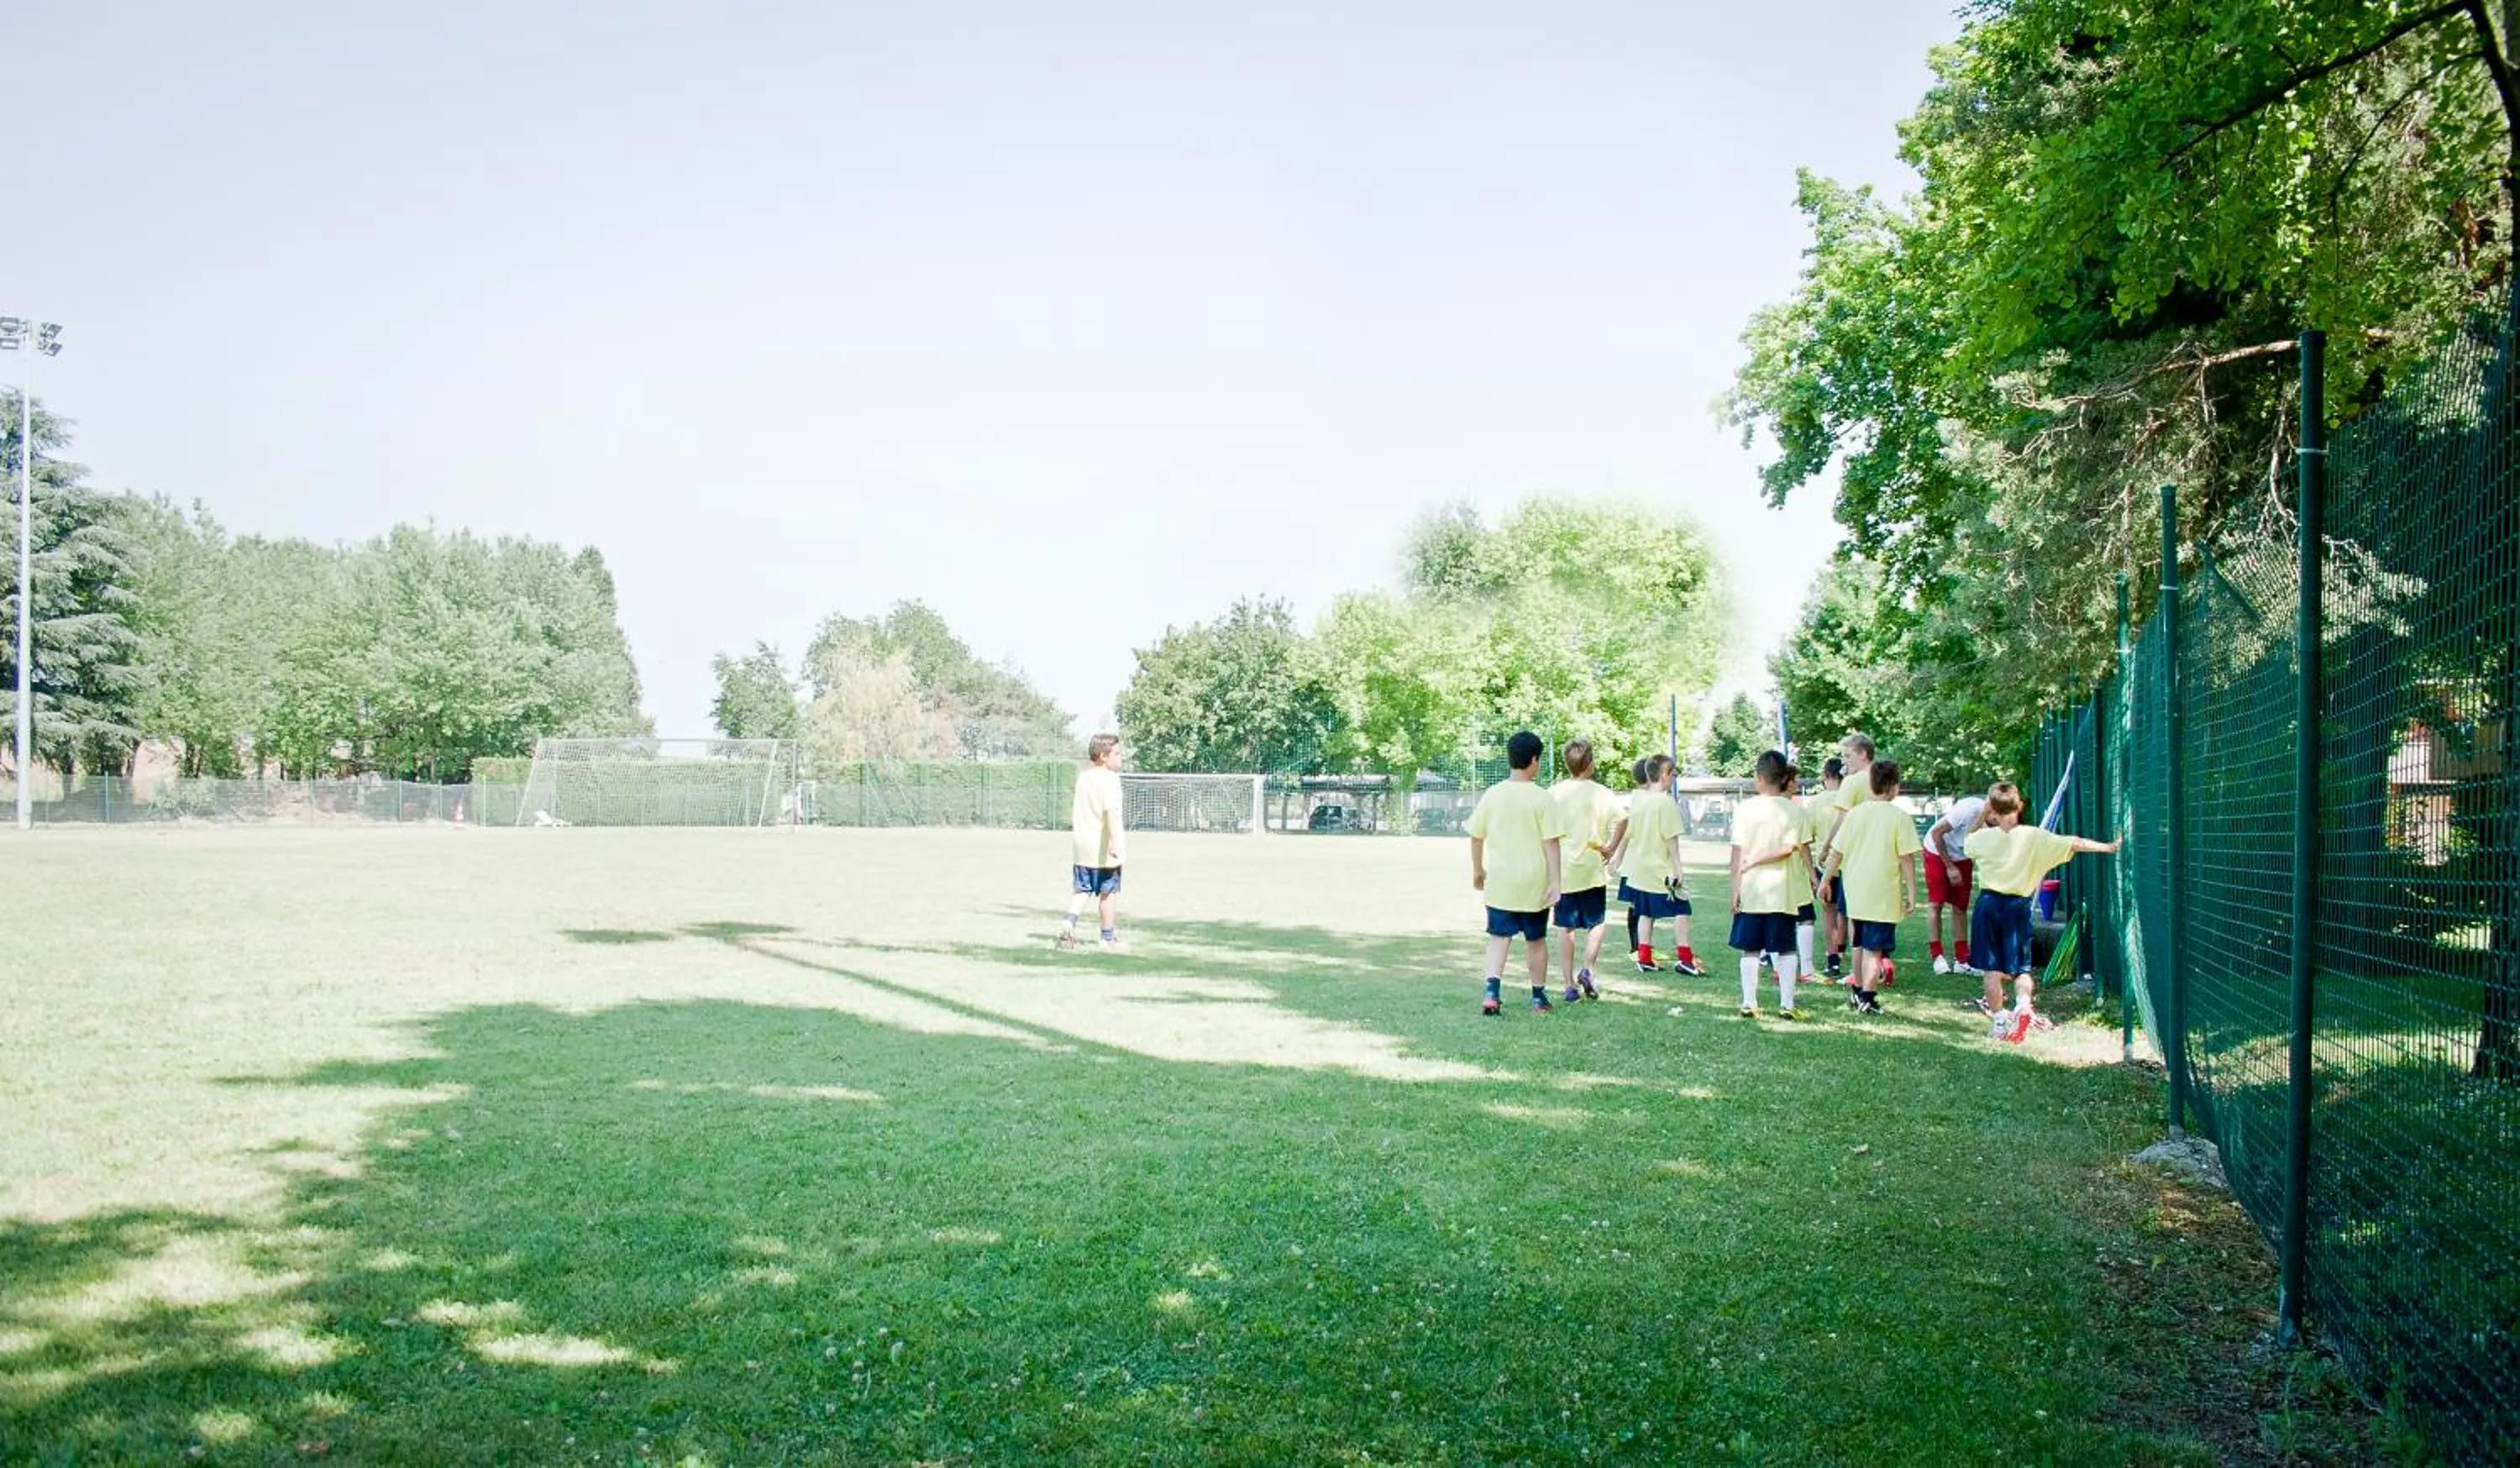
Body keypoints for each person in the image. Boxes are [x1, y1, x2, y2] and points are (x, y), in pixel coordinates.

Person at [1965, 781, 2124, 1041]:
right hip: (2018, 906)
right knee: (2021, 968)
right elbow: (2075, 843)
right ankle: (2023, 1005)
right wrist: (2108, 847)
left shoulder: (1982, 838)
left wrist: (1983, 813)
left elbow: (1967, 840)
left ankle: (2000, 1022)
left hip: (1989, 905)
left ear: (1992, 808)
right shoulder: (2035, 837)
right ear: (2019, 806)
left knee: (1991, 970)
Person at [1467, 730, 1566, 1015]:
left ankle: (1491, 993)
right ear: (1534, 760)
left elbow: (1476, 836)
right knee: (1536, 940)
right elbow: (1551, 843)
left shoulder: (1493, 795)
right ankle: (1538, 997)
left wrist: (1478, 870)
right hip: (1534, 882)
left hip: (1501, 881)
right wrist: (1556, 882)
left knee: (1499, 938)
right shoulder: (1542, 798)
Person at [1818, 758, 1919, 1015]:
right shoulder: (1899, 818)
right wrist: (1912, 892)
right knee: (1874, 948)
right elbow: (1906, 858)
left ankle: (1857, 989)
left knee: (1858, 944)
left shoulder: (1855, 814)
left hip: (1855, 891)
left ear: (1871, 784)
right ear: (1895, 787)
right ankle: (1868, 996)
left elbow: (1837, 852)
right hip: (1883, 893)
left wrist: (1825, 880)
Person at [1730, 749, 1809, 1020]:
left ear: (1759, 777)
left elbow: (1737, 854)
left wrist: (1734, 889)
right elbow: (1789, 848)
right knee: (1786, 948)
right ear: (1784, 779)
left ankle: (1749, 1002)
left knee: (1750, 948)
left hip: (1751, 891)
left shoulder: (1745, 809)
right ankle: (1786, 1004)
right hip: (1782, 892)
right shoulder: (1794, 810)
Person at [1609, 754, 1699, 975]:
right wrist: (1678, 868)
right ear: (1664, 775)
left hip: (1641, 870)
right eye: (1672, 774)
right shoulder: (1665, 802)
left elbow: (1629, 833)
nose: (1673, 778)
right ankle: (1685, 959)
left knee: (1646, 912)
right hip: (1660, 869)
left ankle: (1644, 958)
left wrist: (1618, 857)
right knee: (1682, 910)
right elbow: (1671, 839)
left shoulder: (1640, 801)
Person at [1550, 739, 1624, 1002]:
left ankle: (1569, 984)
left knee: (1565, 927)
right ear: (1590, 764)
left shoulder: (1554, 793)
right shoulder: (1601, 793)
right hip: (1592, 869)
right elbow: (1623, 818)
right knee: (1597, 922)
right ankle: (1588, 968)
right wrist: (1611, 847)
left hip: (1564, 871)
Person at [1058, 733, 1126, 952]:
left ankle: (1069, 922)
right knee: (1108, 892)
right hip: (1102, 846)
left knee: (1082, 890)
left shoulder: (1084, 778)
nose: (1120, 757)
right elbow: (1111, 812)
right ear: (1103, 756)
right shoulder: (1110, 779)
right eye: (1116, 753)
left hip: (1082, 846)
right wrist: (1115, 841)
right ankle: (1107, 938)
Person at [1924, 791, 1989, 975]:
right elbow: (1936, 833)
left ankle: (1962, 960)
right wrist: (1950, 867)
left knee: (1960, 906)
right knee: (1936, 904)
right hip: (1936, 850)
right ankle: (1937, 957)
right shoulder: (1968, 810)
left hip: (1962, 856)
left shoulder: (2000, 821)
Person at [1807, 758, 1849, 980]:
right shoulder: (1851, 799)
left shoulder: (1816, 802)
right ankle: (1842, 950)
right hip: (1849, 863)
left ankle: (1832, 958)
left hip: (1825, 864)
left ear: (1825, 775)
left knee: (1828, 912)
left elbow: (1807, 835)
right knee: (1846, 912)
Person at [1618, 757, 1651, 963]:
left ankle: (1640, 947)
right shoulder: (1642, 800)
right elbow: (1628, 832)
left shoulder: (1640, 799)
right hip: (1639, 863)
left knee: (1639, 905)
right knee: (1641, 906)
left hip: (1636, 863)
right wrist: (1618, 856)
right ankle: (1638, 948)